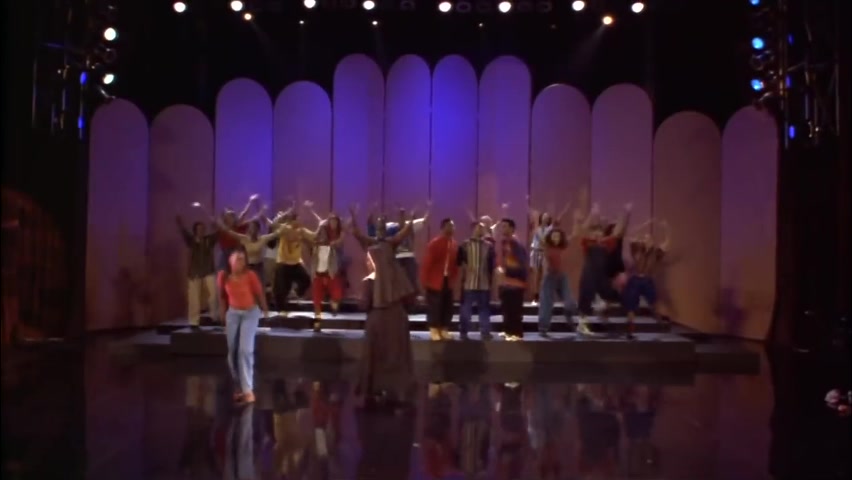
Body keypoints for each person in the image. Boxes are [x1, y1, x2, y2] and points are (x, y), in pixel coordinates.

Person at [350, 205, 416, 407]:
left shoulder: (373, 271)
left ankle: (375, 389)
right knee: (396, 354)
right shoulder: (393, 269)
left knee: (375, 355)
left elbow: (365, 304)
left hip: (378, 318)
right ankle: (396, 389)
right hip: (396, 316)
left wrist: (354, 218)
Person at [218, 248, 268, 404]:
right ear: (230, 261)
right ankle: (238, 386)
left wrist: (265, 309)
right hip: (233, 314)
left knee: (245, 350)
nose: (241, 261)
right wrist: (222, 313)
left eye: (243, 259)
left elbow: (259, 293)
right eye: (237, 258)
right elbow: (222, 296)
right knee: (232, 351)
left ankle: (248, 390)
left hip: (250, 313)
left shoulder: (250, 275)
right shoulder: (223, 276)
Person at [576, 203, 631, 335]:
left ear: (602, 233)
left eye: (599, 232)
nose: (596, 235)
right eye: (593, 232)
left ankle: (604, 311)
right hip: (589, 274)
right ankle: (582, 324)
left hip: (602, 276)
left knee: (610, 294)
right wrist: (592, 213)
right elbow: (583, 229)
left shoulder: (607, 242)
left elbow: (618, 232)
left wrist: (626, 214)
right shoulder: (587, 241)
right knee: (586, 295)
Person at [623, 220, 670, 338]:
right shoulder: (637, 250)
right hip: (635, 280)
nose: (646, 240)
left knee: (653, 304)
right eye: (644, 238)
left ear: (653, 242)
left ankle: (661, 323)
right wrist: (642, 225)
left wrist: (666, 229)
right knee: (631, 305)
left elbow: (667, 243)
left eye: (648, 239)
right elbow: (630, 236)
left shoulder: (656, 253)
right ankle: (630, 330)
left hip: (647, 281)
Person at [270, 212, 314, 319]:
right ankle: (281, 310)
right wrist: (281, 216)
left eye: (298, 220)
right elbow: (274, 225)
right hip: (283, 262)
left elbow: (313, 236)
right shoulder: (285, 228)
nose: (297, 223)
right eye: (295, 221)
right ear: (291, 221)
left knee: (306, 280)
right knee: (280, 288)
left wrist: (320, 225)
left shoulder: (301, 231)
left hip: (295, 262)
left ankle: (296, 292)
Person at [176, 216, 218, 328]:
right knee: (194, 298)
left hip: (208, 271)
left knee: (213, 294)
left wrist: (215, 225)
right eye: (199, 229)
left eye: (203, 229)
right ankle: (193, 321)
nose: (201, 231)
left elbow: (217, 234)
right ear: (195, 231)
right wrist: (180, 223)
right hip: (195, 272)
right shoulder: (191, 240)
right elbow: (184, 233)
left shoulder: (208, 240)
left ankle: (214, 317)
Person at [421, 218, 459, 341]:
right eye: (449, 226)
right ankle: (434, 329)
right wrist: (424, 281)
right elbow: (427, 264)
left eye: (453, 226)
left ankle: (444, 329)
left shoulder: (454, 244)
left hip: (448, 280)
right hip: (434, 281)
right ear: (443, 228)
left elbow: (455, 265)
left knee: (447, 306)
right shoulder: (435, 243)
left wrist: (454, 279)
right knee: (434, 306)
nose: (452, 228)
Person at [457, 221, 496, 340]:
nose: (481, 230)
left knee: (484, 309)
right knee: (466, 309)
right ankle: (463, 332)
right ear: (473, 229)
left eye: (482, 228)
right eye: (479, 227)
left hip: (484, 283)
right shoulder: (465, 245)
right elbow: (459, 262)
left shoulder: (489, 246)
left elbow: (491, 265)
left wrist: (491, 280)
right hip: (469, 283)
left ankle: (485, 332)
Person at [527, 202, 571, 305]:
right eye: (544, 217)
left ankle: (546, 295)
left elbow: (559, 219)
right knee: (536, 275)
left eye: (547, 217)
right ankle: (536, 296)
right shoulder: (536, 229)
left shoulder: (550, 229)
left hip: (544, 253)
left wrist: (565, 209)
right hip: (536, 252)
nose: (545, 218)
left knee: (545, 275)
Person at [537, 226, 576, 336]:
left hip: (562, 277)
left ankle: (569, 318)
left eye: (558, 236)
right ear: (550, 237)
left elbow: (574, 234)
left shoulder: (564, 247)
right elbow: (540, 237)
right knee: (546, 303)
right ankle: (543, 327)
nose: (555, 238)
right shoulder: (547, 247)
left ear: (561, 238)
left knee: (569, 301)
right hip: (550, 277)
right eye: (553, 236)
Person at [217, 218, 281, 286]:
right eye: (252, 227)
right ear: (249, 229)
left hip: (259, 267)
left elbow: (276, 233)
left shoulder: (262, 239)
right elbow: (230, 232)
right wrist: (220, 224)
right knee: (249, 287)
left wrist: (278, 224)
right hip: (249, 267)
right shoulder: (244, 239)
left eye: (255, 228)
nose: (253, 230)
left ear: (258, 229)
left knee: (260, 286)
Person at [309, 214, 345, 329]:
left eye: (324, 234)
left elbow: (340, 240)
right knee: (316, 301)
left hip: (329, 275)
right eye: (321, 234)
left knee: (336, 295)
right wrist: (319, 227)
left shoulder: (332, 247)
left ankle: (334, 305)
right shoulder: (315, 247)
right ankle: (317, 322)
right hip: (318, 275)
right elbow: (312, 237)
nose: (322, 236)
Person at [496, 218, 528, 341]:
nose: (502, 229)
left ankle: (516, 334)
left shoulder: (516, 244)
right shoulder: (505, 243)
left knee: (514, 310)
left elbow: (521, 264)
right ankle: (507, 331)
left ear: (512, 228)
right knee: (506, 308)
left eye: (505, 226)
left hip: (516, 283)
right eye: (502, 226)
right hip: (506, 282)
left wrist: (506, 270)